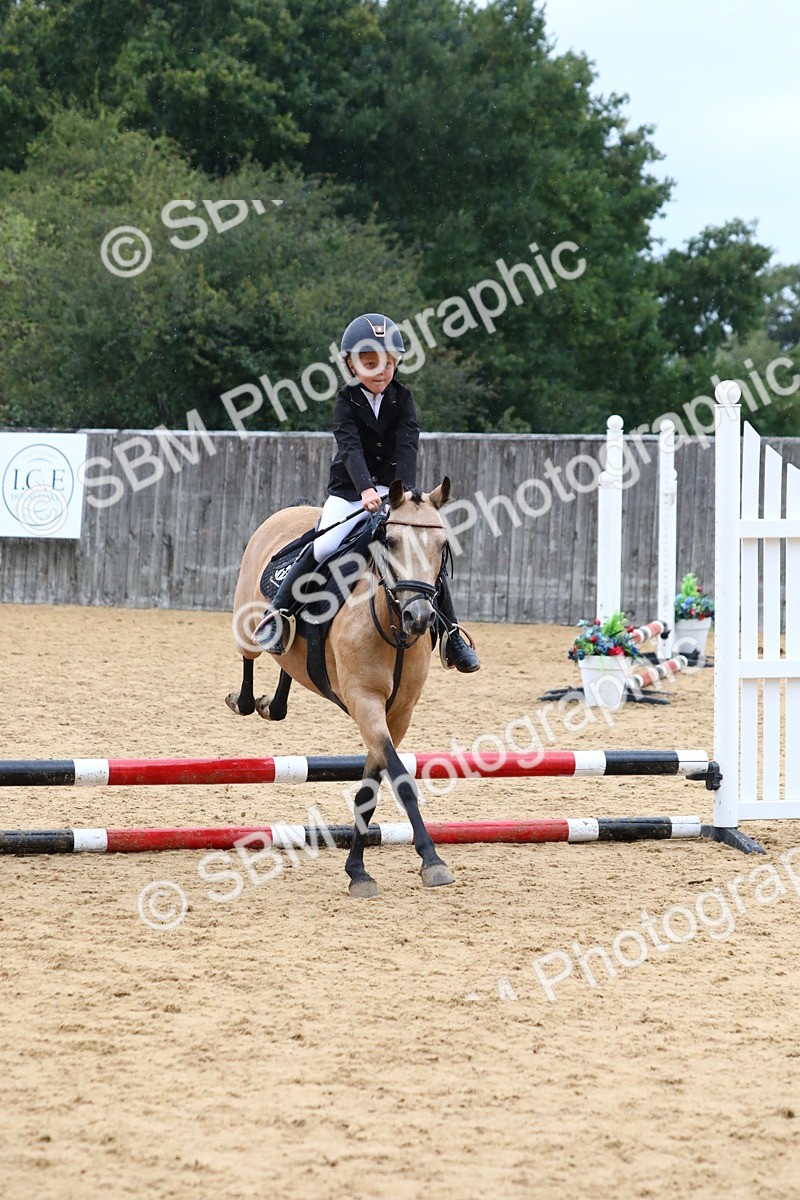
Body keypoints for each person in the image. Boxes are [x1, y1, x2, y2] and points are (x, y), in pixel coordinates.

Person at [254, 313, 480, 672]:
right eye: (370, 363)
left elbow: (408, 445)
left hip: (395, 494)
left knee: (422, 550)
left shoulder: (403, 399)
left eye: (388, 363)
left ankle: (451, 634)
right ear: (351, 365)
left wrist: (401, 495)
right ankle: (278, 614)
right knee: (324, 545)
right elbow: (350, 447)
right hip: (349, 494)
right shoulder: (346, 401)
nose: (380, 371)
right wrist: (363, 489)